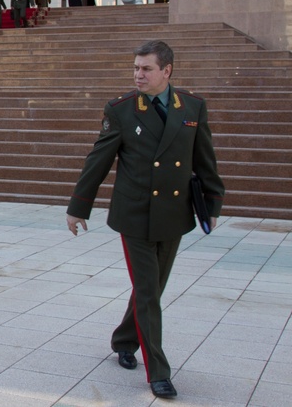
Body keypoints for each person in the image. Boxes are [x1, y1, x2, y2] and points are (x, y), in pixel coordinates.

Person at [66, 40, 225, 399]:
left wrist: (212, 205)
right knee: (150, 292)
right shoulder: (122, 109)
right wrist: (79, 206)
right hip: (135, 214)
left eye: (146, 68)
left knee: (149, 289)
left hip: (174, 213)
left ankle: (124, 339)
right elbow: (99, 159)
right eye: (136, 68)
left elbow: (205, 159)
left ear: (166, 71)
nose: (138, 74)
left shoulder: (192, 107)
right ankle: (158, 372)